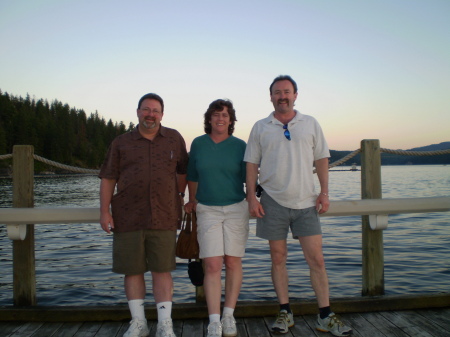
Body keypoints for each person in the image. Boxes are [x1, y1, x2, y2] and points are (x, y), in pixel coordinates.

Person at [244, 75, 352, 336]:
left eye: (287, 92)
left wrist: (324, 193)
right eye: (277, 92)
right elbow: (251, 164)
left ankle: (325, 315)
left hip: (306, 202)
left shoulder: (310, 123)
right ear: (270, 97)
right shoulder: (261, 127)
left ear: (295, 95)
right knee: (277, 258)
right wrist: (251, 197)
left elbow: (322, 159)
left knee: (317, 259)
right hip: (271, 201)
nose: (283, 96)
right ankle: (285, 312)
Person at [99, 93, 188, 337]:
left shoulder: (174, 138)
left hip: (164, 215)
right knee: (133, 270)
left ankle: (164, 323)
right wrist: (104, 211)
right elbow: (108, 177)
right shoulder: (121, 142)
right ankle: (138, 322)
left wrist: (179, 196)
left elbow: (183, 172)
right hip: (128, 215)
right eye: (146, 109)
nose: (151, 114)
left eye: (155, 110)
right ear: (138, 112)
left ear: (162, 114)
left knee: (162, 270)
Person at [184, 99, 249, 337]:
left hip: (236, 208)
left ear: (231, 120)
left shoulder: (241, 145)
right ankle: (214, 320)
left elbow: (249, 177)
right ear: (209, 118)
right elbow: (192, 175)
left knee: (232, 262)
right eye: (216, 114)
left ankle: (228, 315)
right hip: (207, 209)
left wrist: (254, 198)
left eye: (225, 115)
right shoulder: (199, 144)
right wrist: (191, 199)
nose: (220, 118)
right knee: (212, 264)